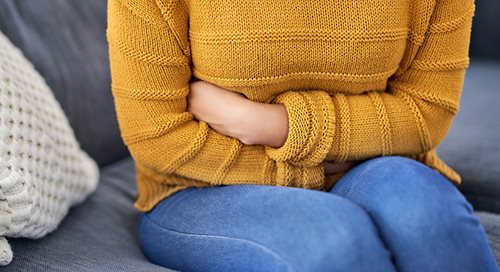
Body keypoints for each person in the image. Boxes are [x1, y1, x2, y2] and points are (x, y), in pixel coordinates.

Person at [106, 0, 499, 271]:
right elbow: (156, 134)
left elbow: (424, 112)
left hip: (370, 167)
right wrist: (315, 167)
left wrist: (267, 124)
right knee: (332, 240)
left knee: (430, 218)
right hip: (201, 187)